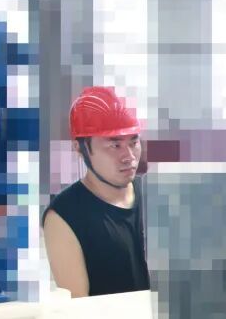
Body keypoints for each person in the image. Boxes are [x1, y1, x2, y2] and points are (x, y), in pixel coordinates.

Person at [43, 86, 149, 297]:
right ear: (80, 148)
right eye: (114, 145)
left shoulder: (156, 195)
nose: (129, 156)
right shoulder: (65, 216)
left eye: (133, 142)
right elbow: (78, 307)